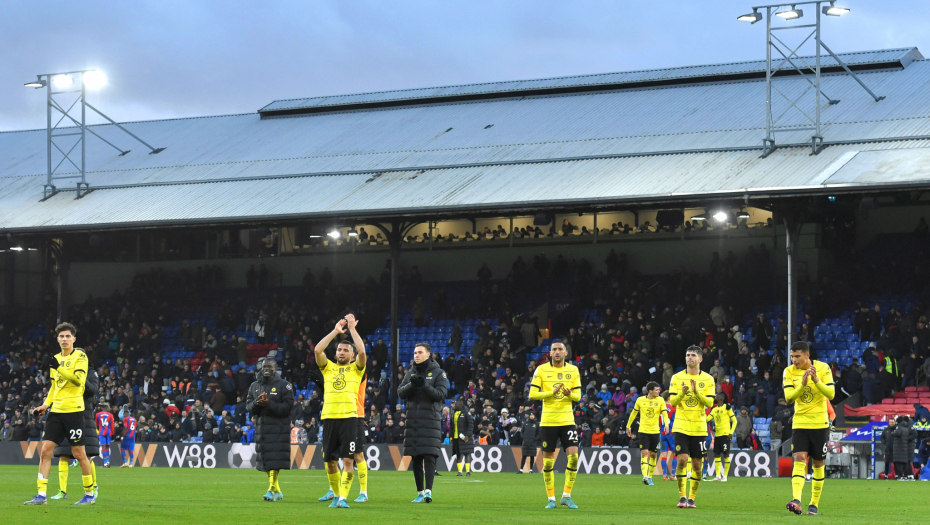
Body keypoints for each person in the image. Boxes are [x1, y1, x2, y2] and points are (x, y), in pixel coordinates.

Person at [24, 323, 97, 506]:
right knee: (45, 451)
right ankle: (41, 495)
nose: (64, 339)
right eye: (62, 336)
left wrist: (59, 367)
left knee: (79, 453)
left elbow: (78, 380)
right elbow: (54, 386)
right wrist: (45, 405)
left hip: (74, 411)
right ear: (57, 339)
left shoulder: (80, 356)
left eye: (68, 336)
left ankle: (89, 495)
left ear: (74, 339)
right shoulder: (55, 359)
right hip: (56, 412)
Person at [315, 315, 367, 508]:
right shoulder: (328, 368)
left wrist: (352, 329)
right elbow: (318, 350)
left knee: (348, 460)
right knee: (330, 462)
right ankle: (336, 495)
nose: (342, 352)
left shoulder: (356, 369)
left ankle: (343, 498)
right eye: (339, 349)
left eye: (346, 350)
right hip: (329, 418)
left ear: (352, 356)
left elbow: (362, 351)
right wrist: (335, 331)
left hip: (349, 419)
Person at [528, 340, 582, 509]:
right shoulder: (541, 370)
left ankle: (566, 496)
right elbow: (532, 394)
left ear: (566, 353)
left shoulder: (573, 370)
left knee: (574, 458)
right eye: (554, 349)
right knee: (548, 463)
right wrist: (551, 393)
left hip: (567, 420)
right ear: (550, 353)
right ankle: (551, 499)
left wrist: (569, 394)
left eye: (560, 349)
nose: (557, 352)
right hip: (548, 421)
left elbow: (578, 396)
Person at [783, 341, 834, 516]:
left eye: (797, 356)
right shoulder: (789, 371)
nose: (794, 360)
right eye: (792, 356)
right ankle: (796, 500)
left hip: (820, 424)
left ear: (807, 355)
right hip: (800, 423)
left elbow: (831, 394)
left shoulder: (823, 368)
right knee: (799, 458)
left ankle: (814, 504)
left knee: (818, 463)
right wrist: (803, 385)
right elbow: (789, 398)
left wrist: (816, 381)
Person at [398, 343, 449, 503]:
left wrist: (424, 385)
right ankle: (420, 492)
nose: (416, 355)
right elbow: (400, 392)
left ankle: (428, 491)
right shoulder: (410, 373)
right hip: (413, 421)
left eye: (420, 352)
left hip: (430, 421)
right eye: (415, 353)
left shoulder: (439, 373)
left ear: (428, 354)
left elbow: (440, 395)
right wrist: (413, 384)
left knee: (429, 455)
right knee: (416, 457)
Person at [669, 345, 716, 509]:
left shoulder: (708, 379)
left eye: (693, 355)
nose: (690, 357)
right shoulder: (676, 377)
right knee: (682, 459)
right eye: (688, 355)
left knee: (697, 464)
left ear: (700, 359)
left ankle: (692, 498)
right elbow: (672, 402)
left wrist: (697, 392)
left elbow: (710, 403)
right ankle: (682, 497)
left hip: (699, 428)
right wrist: (682, 393)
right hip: (681, 425)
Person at [246, 358, 295, 502]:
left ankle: (270, 490)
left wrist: (269, 404)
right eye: (264, 366)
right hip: (262, 430)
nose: (266, 369)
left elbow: (288, 408)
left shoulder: (284, 385)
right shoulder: (254, 385)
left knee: (274, 461)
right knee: (267, 461)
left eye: (269, 366)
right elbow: (249, 406)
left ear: (276, 368)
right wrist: (257, 403)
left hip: (278, 429)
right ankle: (277, 491)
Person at [50, 365, 101, 501]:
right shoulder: (65, 371)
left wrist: (79, 378)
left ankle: (94, 486)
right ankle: (62, 491)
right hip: (66, 414)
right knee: (63, 455)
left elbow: (93, 390)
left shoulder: (91, 372)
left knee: (86, 455)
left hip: (84, 417)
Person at [626, 381, 669, 486]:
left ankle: (650, 477)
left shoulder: (660, 400)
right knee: (645, 453)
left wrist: (666, 425)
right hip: (643, 431)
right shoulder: (640, 400)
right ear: (650, 391)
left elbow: (664, 413)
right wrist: (628, 426)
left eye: (659, 390)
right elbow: (634, 413)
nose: (659, 391)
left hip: (655, 431)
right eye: (656, 390)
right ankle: (645, 476)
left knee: (653, 454)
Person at [707, 393, 736, 481]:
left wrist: (731, 433)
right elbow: (707, 419)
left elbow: (735, 421)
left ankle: (725, 476)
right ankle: (718, 476)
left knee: (726, 454)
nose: (715, 397)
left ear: (720, 398)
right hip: (717, 435)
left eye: (716, 396)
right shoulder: (714, 410)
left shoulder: (727, 408)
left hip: (725, 434)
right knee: (716, 454)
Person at [451, 399, 474, 476]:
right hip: (456, 437)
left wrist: (468, 435)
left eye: (456, 404)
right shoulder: (453, 413)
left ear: (460, 405)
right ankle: (460, 471)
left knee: (466, 454)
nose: (455, 406)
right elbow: (452, 426)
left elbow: (471, 424)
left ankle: (468, 471)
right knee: (458, 454)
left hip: (465, 437)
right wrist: (451, 436)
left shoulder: (466, 412)